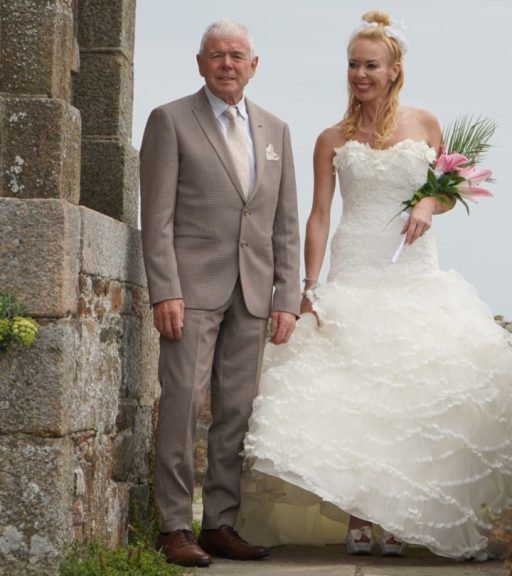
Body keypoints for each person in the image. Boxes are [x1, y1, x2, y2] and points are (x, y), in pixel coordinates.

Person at [239, 10, 512, 561]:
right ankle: (362, 517)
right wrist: (310, 285)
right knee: (359, 395)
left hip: (414, 273)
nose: (359, 74)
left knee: (413, 393)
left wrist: (428, 203)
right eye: (352, 65)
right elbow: (318, 216)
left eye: (371, 65)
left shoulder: (426, 125)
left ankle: (402, 517)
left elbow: (448, 188)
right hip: (356, 267)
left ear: (395, 70)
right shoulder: (331, 138)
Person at [139, 18, 300, 568]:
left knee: (236, 412)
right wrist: (165, 288)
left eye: (237, 56)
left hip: (254, 293)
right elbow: (155, 216)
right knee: (183, 405)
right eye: (216, 55)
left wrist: (286, 296)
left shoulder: (277, 131)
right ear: (200, 62)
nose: (227, 64)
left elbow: (285, 223)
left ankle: (221, 524)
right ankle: (175, 526)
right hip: (190, 290)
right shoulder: (170, 120)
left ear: (254, 65)